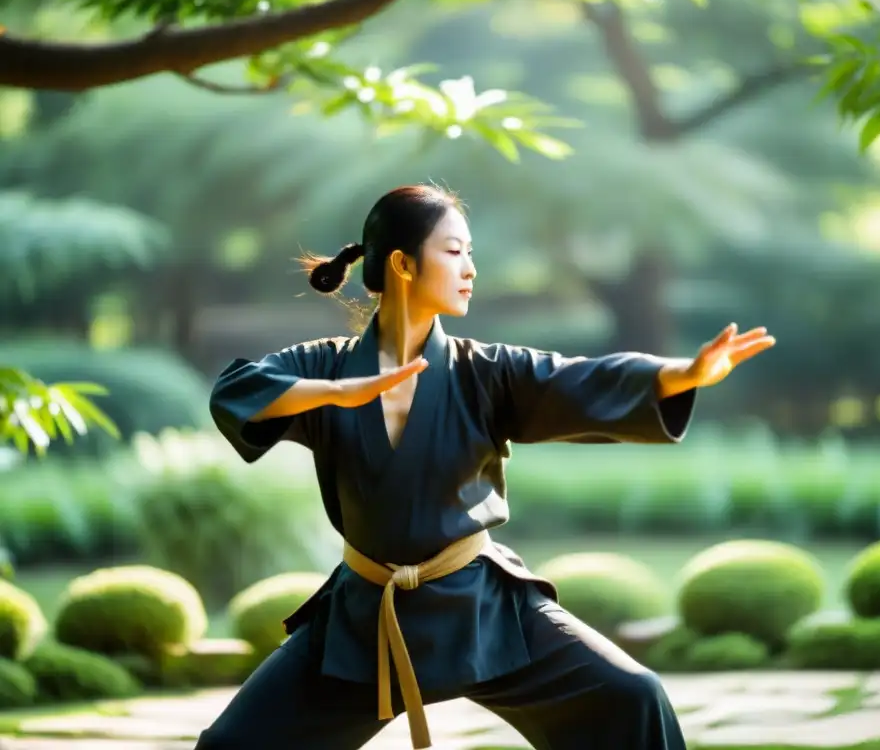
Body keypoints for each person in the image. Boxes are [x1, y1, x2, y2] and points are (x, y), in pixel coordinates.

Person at [197, 184, 775, 750]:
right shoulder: (324, 366)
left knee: (632, 697)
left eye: (471, 252)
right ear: (402, 262)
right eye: (454, 251)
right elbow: (239, 390)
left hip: (481, 608)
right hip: (366, 621)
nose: (471, 267)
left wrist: (679, 375)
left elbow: (577, 378)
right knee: (234, 743)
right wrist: (334, 392)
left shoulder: (486, 372)